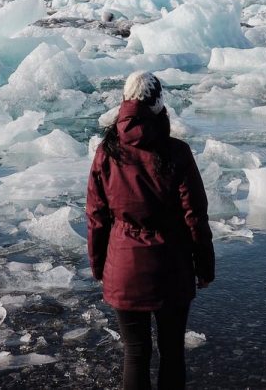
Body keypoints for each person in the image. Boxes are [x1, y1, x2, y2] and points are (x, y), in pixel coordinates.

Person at [86, 70, 215, 390]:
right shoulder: (177, 152)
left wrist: (98, 263)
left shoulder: (107, 152)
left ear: (125, 103)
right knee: (172, 354)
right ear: (159, 105)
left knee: (135, 353)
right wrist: (205, 266)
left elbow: (97, 216)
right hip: (173, 265)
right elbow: (195, 216)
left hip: (124, 266)